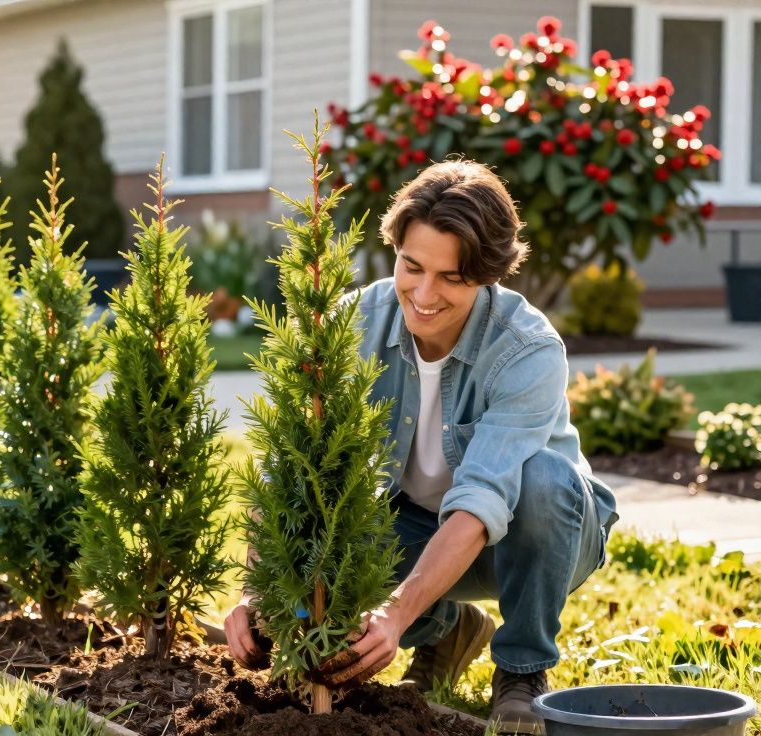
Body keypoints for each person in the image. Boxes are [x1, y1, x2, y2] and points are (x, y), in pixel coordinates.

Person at [224, 160, 618, 735]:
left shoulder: (527, 348)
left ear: (486, 277)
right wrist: (257, 590)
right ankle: (447, 627)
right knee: (332, 543)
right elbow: (289, 465)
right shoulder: (354, 324)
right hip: (412, 523)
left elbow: (483, 498)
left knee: (543, 482)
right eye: (412, 266)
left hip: (541, 535)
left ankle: (521, 670)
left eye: (451, 278)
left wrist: (395, 611)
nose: (424, 295)